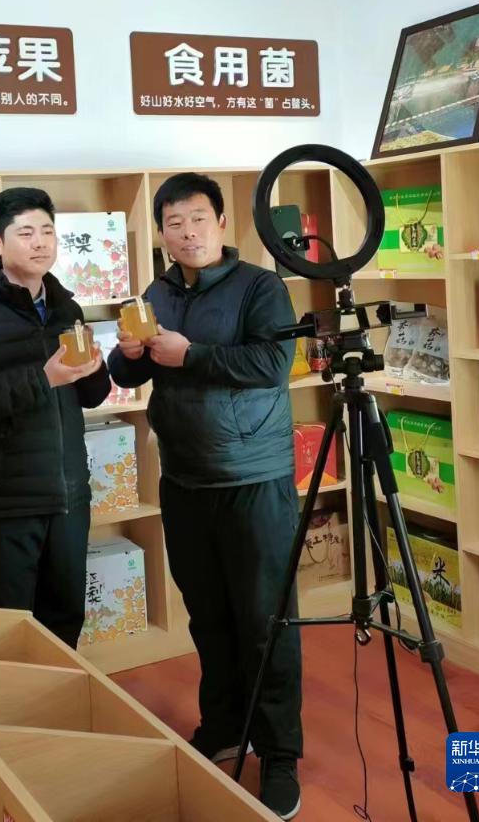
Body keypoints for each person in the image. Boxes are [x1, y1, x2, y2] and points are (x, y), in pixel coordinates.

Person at [108, 172, 302, 820]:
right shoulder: (157, 292)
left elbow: (270, 366)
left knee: (265, 621)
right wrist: (128, 354)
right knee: (208, 616)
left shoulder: (261, 287)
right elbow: (133, 369)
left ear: (221, 222)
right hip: (184, 478)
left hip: (252, 478)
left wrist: (189, 354)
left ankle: (279, 753)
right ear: (161, 233)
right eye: (174, 223)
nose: (187, 232)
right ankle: (223, 727)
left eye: (197, 219)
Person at [0, 187, 110, 647]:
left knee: (65, 621)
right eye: (26, 232)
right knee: (6, 631)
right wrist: (43, 378)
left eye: (48, 231)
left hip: (68, 496)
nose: (40, 242)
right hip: (5, 503)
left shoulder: (66, 307)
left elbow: (92, 397)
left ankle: (59, 695)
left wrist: (95, 367)